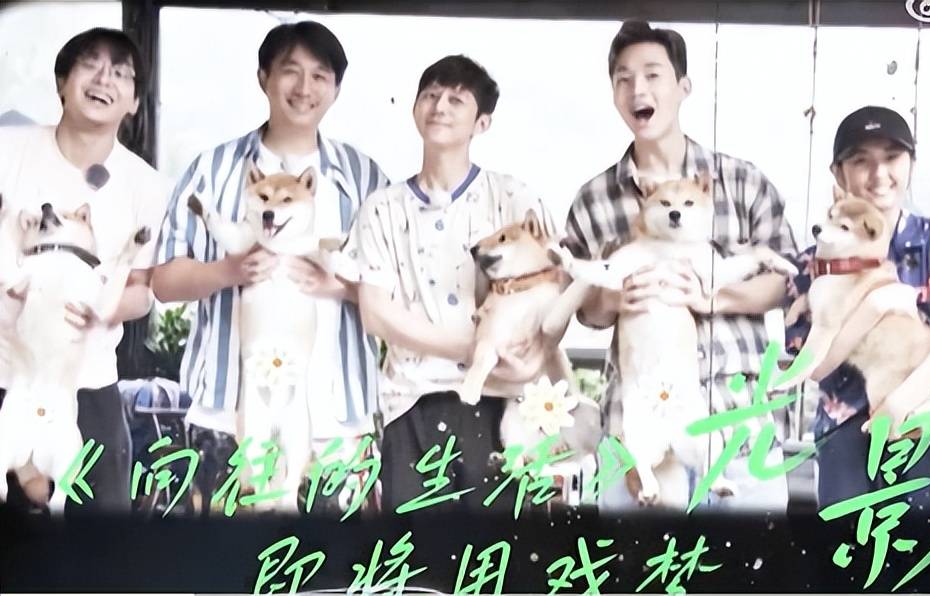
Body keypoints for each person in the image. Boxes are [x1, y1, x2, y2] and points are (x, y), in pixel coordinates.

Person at [562, 20, 800, 510]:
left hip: (739, 425)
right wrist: (613, 297)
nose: (638, 89)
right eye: (624, 79)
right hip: (637, 433)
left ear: (683, 87)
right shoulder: (593, 198)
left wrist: (716, 299)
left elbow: (786, 281)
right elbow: (584, 309)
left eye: (653, 75)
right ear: (614, 94)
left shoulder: (741, 181)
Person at [151, 21, 387, 508]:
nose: (304, 88)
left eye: (320, 76)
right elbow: (164, 282)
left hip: (338, 419)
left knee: (335, 556)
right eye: (290, 71)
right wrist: (228, 271)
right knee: (227, 553)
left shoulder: (363, 178)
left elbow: (395, 288)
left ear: (336, 89)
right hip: (226, 413)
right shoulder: (213, 170)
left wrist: (339, 286)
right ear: (263, 77)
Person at [346, 55, 555, 513]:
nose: (439, 106)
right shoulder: (382, 208)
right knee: (416, 552)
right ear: (414, 108)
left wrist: (533, 358)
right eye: (431, 95)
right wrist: (473, 349)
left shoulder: (513, 197)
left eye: (456, 100)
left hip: (504, 406)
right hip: (411, 403)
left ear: (482, 122)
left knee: (501, 550)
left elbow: (552, 287)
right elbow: (375, 313)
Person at [784, 105, 930, 509]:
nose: (879, 173)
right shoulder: (814, 262)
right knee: (847, 546)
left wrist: (900, 402)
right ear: (838, 174)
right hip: (846, 433)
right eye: (861, 161)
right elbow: (812, 365)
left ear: (911, 164)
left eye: (892, 157)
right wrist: (875, 307)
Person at [0, 27, 167, 513]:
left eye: (120, 73)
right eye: (90, 64)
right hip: (5, 374)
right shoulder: (7, 151)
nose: (103, 79)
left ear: (134, 102)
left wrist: (106, 310)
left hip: (88, 384)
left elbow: (143, 290)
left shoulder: (146, 186)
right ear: (61, 82)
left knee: (99, 540)